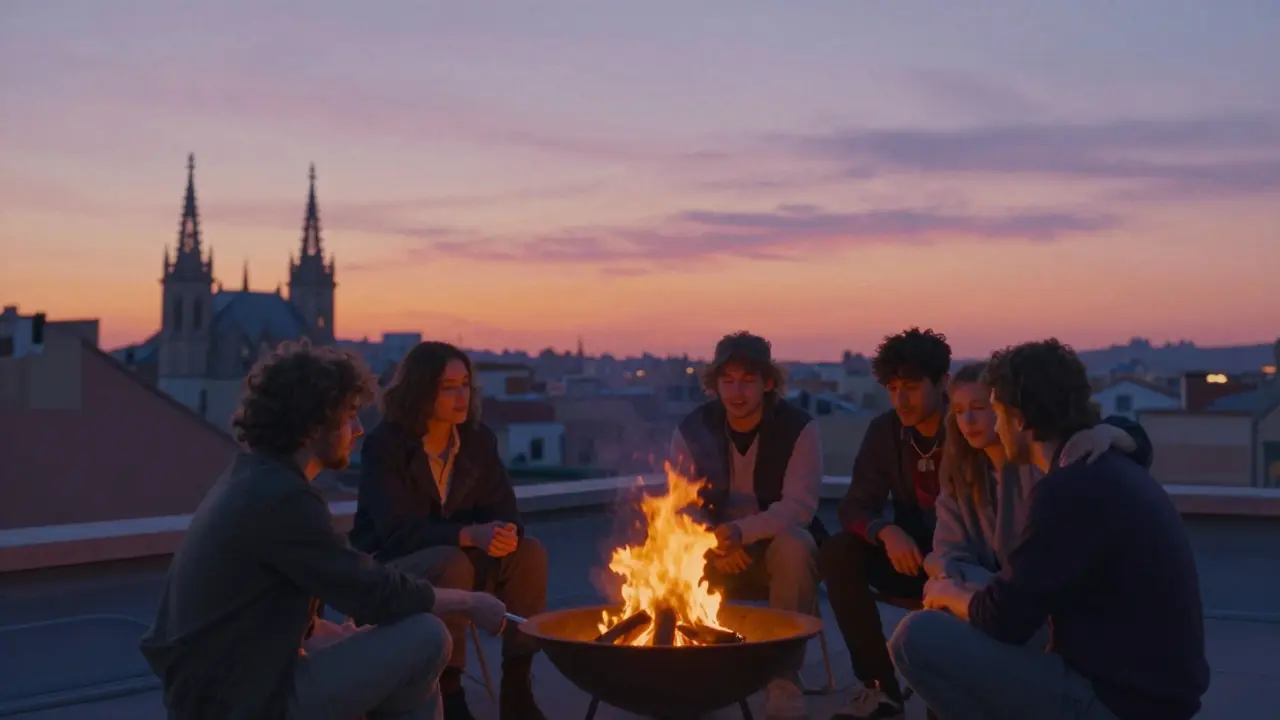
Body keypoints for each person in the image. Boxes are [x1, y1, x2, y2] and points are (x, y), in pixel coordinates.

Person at [139, 341, 507, 720]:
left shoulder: (253, 479)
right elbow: (371, 591)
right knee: (427, 637)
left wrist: (344, 638)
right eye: (349, 416)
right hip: (241, 702)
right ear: (313, 425)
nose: (358, 430)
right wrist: (469, 602)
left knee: (406, 661)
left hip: (225, 689)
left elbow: (280, 616)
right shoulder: (281, 498)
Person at [821, 329, 1153, 720]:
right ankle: (880, 688)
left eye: (910, 387)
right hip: (934, 563)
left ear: (942, 384)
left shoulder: (1041, 465)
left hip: (1012, 593)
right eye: (892, 389)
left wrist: (1115, 433)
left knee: (938, 629)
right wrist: (886, 531)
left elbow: (1101, 432)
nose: (901, 399)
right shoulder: (906, 440)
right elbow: (859, 506)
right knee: (841, 554)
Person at [889, 339, 1210, 720]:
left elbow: (1004, 620)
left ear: (1020, 418)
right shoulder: (1101, 467)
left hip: (1121, 702)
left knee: (916, 638)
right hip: (1149, 691)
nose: (994, 425)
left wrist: (948, 592)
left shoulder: (1067, 489)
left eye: (995, 411)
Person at [350, 341, 548, 720]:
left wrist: (505, 531)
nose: (461, 396)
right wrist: (469, 535)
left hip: (461, 562)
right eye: (448, 387)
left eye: (465, 385)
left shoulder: (477, 440)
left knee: (530, 554)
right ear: (421, 390)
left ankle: (517, 687)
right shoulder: (386, 445)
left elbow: (503, 507)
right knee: (451, 562)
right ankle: (449, 693)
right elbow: (397, 531)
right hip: (392, 566)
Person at [924, 361, 1153, 625]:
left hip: (1030, 610)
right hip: (990, 599)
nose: (968, 421)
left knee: (919, 630)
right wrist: (954, 578)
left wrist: (1107, 432)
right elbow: (947, 552)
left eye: (979, 408)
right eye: (959, 411)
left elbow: (1130, 437)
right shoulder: (961, 474)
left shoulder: (1044, 467)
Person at [670, 331, 824, 720]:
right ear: (715, 384)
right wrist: (713, 545)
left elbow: (798, 507)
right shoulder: (693, 428)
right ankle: (682, 671)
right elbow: (679, 506)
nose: (736, 392)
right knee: (663, 548)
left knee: (796, 545)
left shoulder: (798, 428)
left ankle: (783, 678)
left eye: (747, 380)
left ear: (767, 382)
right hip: (710, 549)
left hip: (770, 549)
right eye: (728, 381)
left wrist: (742, 534)